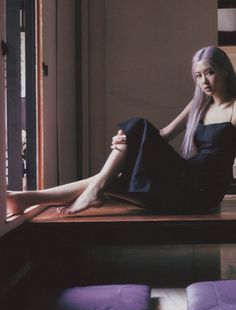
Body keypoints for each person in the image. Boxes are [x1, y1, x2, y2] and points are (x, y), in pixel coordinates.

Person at [7, 46, 236, 215]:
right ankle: (25, 199)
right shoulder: (198, 105)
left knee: (136, 129)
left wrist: (132, 137)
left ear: (225, 70)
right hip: (185, 177)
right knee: (114, 177)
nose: (203, 81)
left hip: (205, 189)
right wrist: (126, 140)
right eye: (198, 76)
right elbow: (164, 134)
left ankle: (92, 190)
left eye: (210, 72)